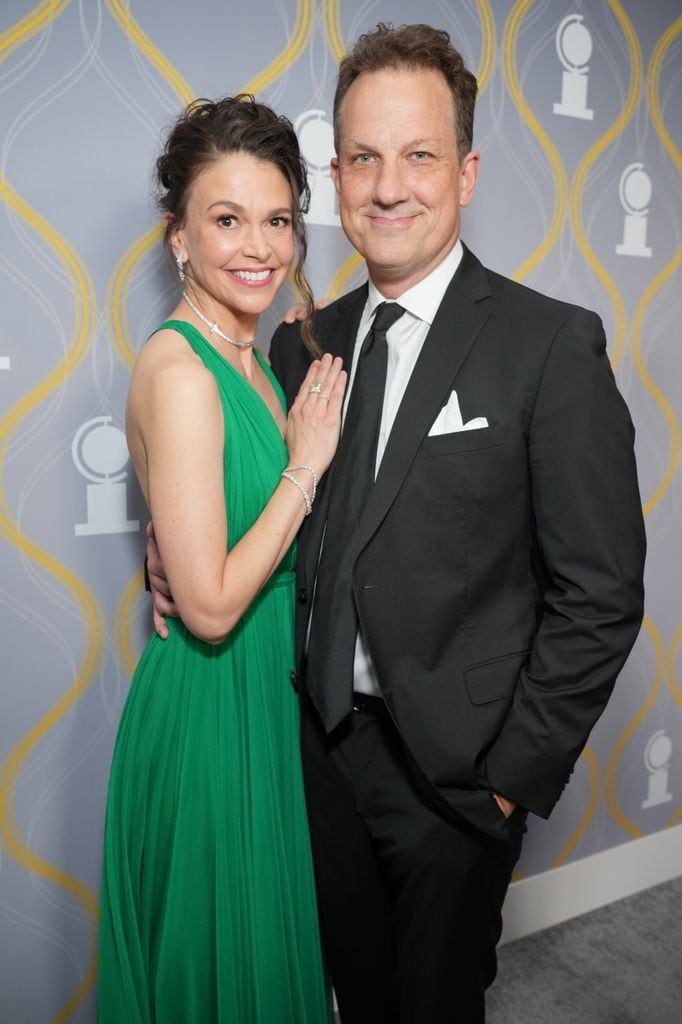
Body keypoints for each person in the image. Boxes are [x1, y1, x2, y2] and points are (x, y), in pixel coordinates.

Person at [149, 23, 646, 1024]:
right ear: (335, 177)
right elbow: (268, 501)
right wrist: (172, 557)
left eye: (417, 155)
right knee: (357, 998)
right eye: (362, 158)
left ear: (463, 172)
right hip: (317, 754)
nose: (386, 186)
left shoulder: (549, 345)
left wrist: (504, 786)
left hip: (456, 786)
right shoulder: (302, 344)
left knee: (436, 1004)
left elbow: (599, 593)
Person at [98, 95, 345, 1023]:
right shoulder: (184, 371)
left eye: (277, 219)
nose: (258, 248)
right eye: (227, 219)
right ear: (180, 239)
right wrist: (304, 469)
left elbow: (220, 541)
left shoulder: (254, 358)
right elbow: (204, 607)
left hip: (261, 697)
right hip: (210, 707)